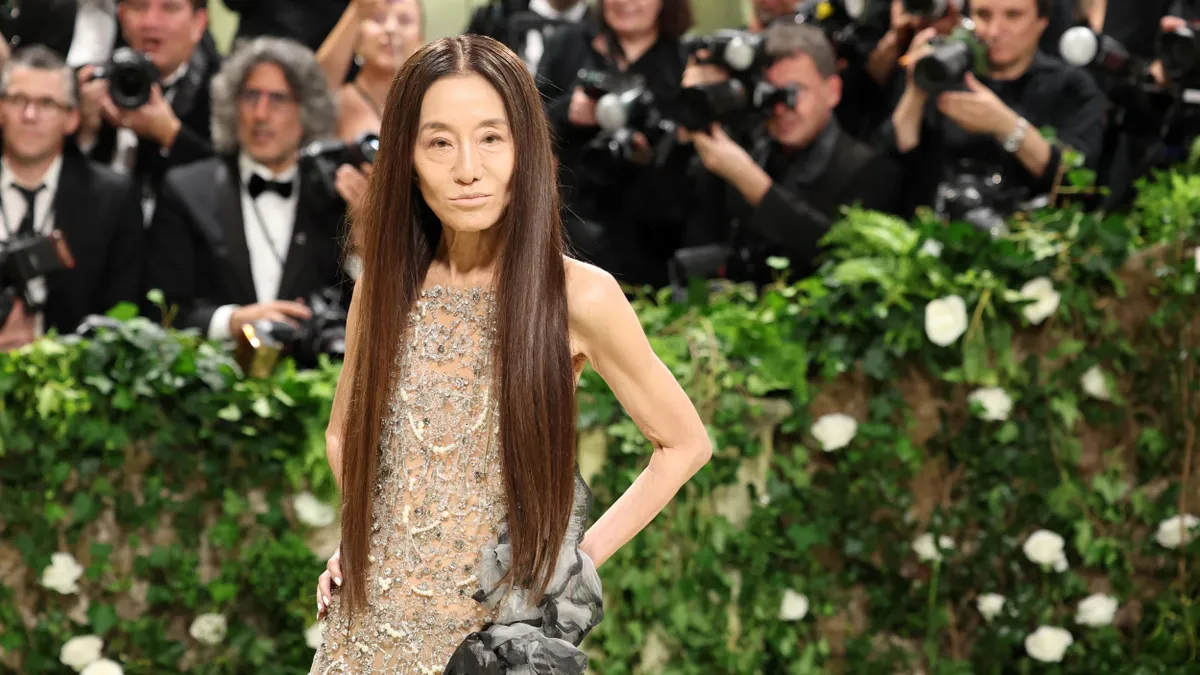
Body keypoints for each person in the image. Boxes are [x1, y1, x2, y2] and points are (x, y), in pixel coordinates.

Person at [309, 34, 711, 673]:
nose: (467, 167)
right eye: (439, 142)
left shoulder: (580, 295)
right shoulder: (382, 288)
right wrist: (364, 538)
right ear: (407, 159)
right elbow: (343, 434)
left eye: (491, 138)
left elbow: (684, 444)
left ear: (525, 148)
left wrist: (568, 568)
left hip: (488, 644)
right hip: (364, 632)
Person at [141, 37, 348, 342]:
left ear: (307, 111)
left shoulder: (334, 197)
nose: (260, 114)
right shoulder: (186, 190)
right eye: (251, 96)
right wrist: (231, 321)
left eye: (277, 99)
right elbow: (160, 313)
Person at [0, 45, 142, 351]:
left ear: (72, 119)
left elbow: (123, 314)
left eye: (46, 103)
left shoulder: (111, 199)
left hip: (78, 380)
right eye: (17, 100)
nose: (30, 115)